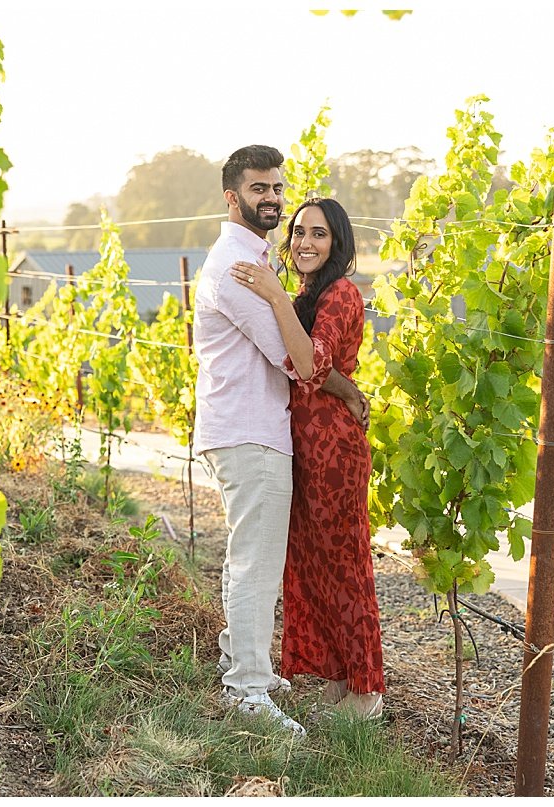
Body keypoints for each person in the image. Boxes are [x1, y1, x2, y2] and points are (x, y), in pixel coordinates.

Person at [193, 146, 369, 735]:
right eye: (258, 189)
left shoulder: (253, 262)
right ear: (231, 196)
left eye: (276, 188)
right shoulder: (242, 271)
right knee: (256, 565)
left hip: (248, 429)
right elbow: (298, 362)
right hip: (251, 432)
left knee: (250, 558)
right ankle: (246, 689)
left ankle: (243, 667)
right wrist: (346, 391)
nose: (270, 198)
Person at [229, 196, 385, 720]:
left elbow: (312, 366)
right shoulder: (307, 295)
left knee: (344, 564)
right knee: (312, 563)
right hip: (303, 443)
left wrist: (273, 296)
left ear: (338, 242)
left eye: (318, 234)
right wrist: (347, 387)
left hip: (334, 448)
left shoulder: (340, 293)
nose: (304, 243)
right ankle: (340, 677)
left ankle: (366, 691)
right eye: (298, 233)